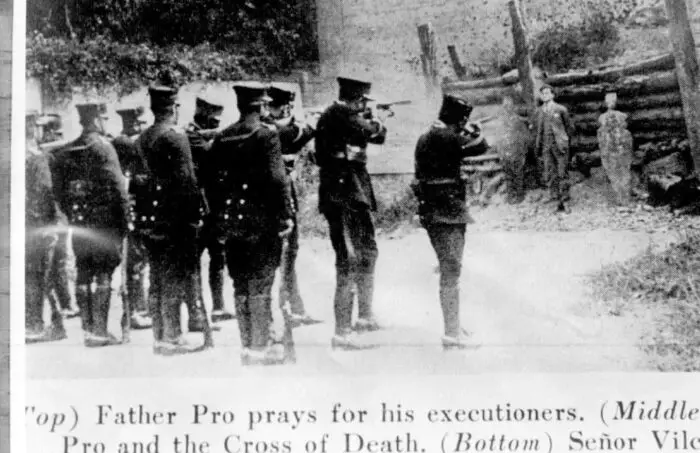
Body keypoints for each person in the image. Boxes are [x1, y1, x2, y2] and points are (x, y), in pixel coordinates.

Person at [209, 83, 295, 365]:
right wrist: (285, 215)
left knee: (241, 283)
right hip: (262, 222)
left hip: (233, 223)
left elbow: (211, 183)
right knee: (261, 282)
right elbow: (277, 180)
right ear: (262, 105)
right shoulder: (266, 135)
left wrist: (221, 218)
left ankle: (248, 345)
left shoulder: (223, 137)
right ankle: (262, 345)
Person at [134, 75, 210, 355]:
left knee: (157, 277)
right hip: (176, 219)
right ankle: (173, 337)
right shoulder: (176, 137)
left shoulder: (142, 137)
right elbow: (187, 181)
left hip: (151, 218)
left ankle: (159, 335)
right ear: (175, 107)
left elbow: (140, 181)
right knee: (175, 276)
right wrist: (196, 215)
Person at [314, 77, 388, 350]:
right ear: (356, 99)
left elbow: (374, 137)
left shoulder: (345, 115)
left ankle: (365, 316)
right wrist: (377, 117)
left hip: (354, 192)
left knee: (368, 251)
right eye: (363, 101)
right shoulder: (339, 113)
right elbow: (374, 132)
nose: (363, 106)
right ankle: (342, 333)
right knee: (348, 260)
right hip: (341, 194)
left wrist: (372, 118)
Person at [412, 95, 489, 350]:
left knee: (450, 269)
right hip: (448, 210)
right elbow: (481, 146)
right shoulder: (447, 137)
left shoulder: (426, 136)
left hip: (434, 209)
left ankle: (454, 325)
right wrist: (475, 131)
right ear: (459, 120)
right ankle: (452, 334)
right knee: (451, 271)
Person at [51, 103, 129, 347]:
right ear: (96, 120)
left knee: (84, 271)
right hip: (105, 223)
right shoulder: (104, 147)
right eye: (104, 118)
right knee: (104, 272)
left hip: (80, 222)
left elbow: (59, 192)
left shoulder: (67, 150)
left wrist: (72, 214)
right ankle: (100, 331)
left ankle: (87, 330)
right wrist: (125, 221)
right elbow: (118, 189)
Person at [264, 85, 321, 327]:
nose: (284, 110)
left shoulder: (279, 126)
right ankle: (281, 311)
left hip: (286, 192)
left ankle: (294, 307)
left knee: (291, 251)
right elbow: (292, 135)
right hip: (273, 197)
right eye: (283, 106)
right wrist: (310, 124)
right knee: (277, 254)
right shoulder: (267, 127)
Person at [186, 96, 233, 326]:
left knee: (219, 255)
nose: (217, 124)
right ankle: (196, 311)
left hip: (215, 206)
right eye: (213, 120)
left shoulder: (205, 134)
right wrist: (224, 136)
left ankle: (218, 306)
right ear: (203, 115)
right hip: (197, 207)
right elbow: (210, 154)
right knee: (194, 259)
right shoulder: (190, 135)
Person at [26, 111, 66, 343]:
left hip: (27, 226)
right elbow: (47, 192)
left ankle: (36, 324)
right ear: (31, 127)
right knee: (39, 275)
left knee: (33, 275)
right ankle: (37, 325)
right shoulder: (36, 157)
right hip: (39, 225)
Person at [113, 106, 152, 333]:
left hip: (133, 209)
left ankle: (137, 309)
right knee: (136, 261)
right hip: (133, 211)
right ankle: (135, 311)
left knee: (138, 261)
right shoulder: (127, 144)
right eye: (139, 123)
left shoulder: (122, 142)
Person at [37, 114, 80, 320]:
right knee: (57, 261)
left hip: (53, 213)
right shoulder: (59, 150)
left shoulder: (50, 152)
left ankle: (62, 305)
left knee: (55, 261)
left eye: (45, 130)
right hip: (57, 213)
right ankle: (64, 304)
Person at [534, 85, 575, 212]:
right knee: (550, 173)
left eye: (547, 93)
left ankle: (565, 200)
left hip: (560, 145)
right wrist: (539, 145)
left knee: (562, 172)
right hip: (546, 147)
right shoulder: (539, 111)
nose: (545, 95)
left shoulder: (560, 109)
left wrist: (565, 141)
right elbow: (538, 129)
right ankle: (555, 200)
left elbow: (570, 128)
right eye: (543, 93)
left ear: (552, 95)